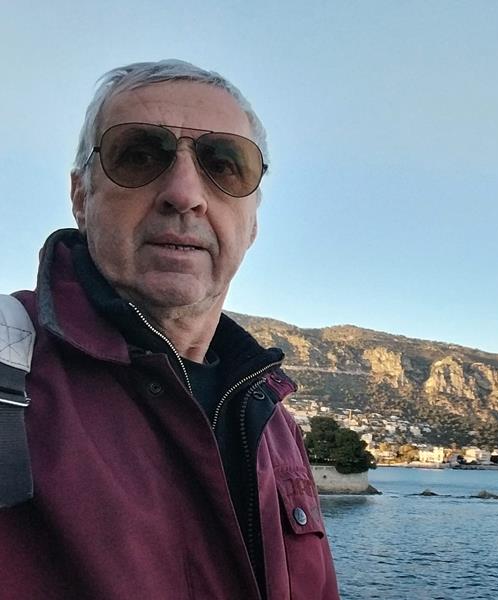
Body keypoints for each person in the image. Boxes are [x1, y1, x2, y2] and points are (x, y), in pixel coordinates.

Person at [0, 60, 340, 600]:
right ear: (81, 197)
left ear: (253, 221)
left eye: (223, 165)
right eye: (139, 155)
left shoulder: (274, 422)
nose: (184, 194)